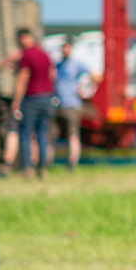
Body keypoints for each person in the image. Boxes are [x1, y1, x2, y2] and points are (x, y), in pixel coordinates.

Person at [10, 26, 56, 178]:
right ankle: (42, 168)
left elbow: (23, 78)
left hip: (32, 98)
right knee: (42, 133)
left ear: (23, 38)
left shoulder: (27, 55)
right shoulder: (45, 54)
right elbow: (52, 75)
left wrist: (16, 101)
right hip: (47, 97)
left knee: (25, 133)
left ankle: (26, 168)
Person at [53, 36, 93, 170]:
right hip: (57, 105)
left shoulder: (76, 64)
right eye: (63, 47)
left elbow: (95, 75)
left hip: (72, 105)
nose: (64, 50)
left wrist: (85, 89)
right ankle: (47, 163)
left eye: (67, 47)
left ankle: (71, 164)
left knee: (73, 135)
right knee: (51, 135)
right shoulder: (58, 65)